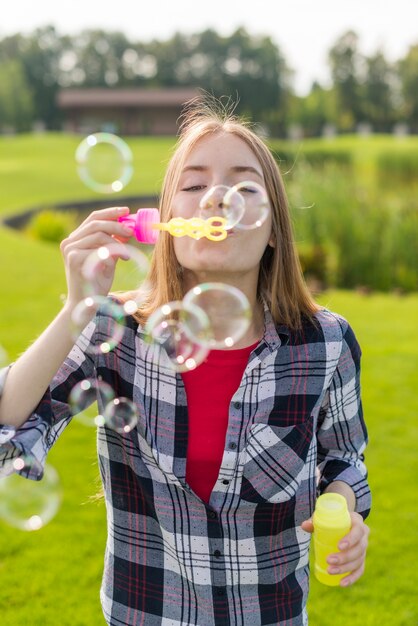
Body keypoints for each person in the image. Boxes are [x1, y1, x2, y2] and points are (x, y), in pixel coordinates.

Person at [0, 99, 371, 626]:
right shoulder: (114, 330)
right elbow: (7, 428)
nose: (216, 200)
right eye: (193, 186)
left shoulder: (325, 343)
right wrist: (75, 310)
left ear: (272, 231)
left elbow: (344, 459)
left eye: (243, 187)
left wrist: (345, 508)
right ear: (167, 225)